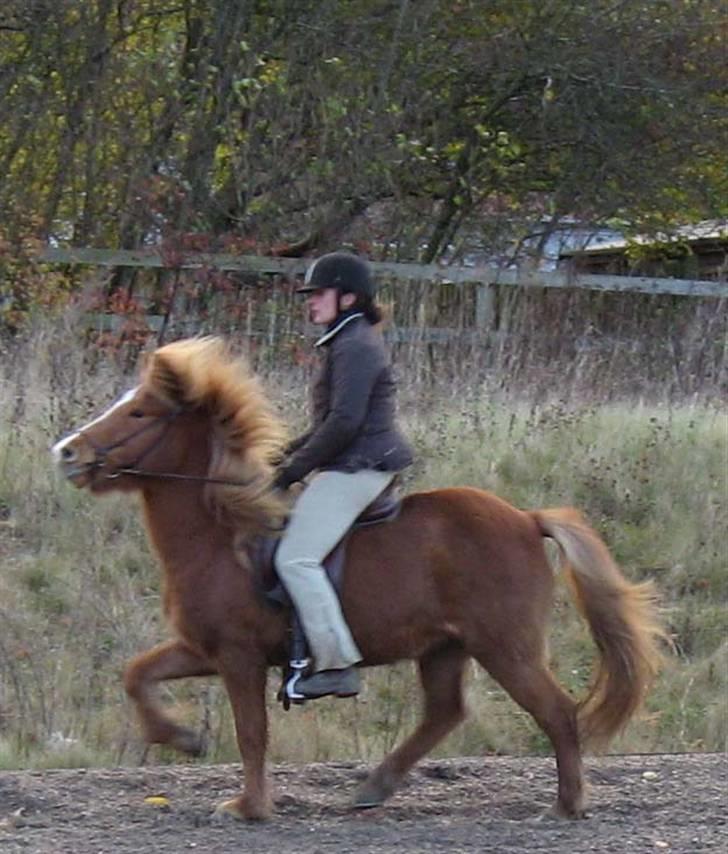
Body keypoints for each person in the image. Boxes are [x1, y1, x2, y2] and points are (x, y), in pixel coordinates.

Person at [273, 251, 414, 700]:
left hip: (360, 466)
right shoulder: (346, 340)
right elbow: (327, 425)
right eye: (309, 295)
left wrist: (292, 471)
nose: (310, 302)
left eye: (319, 293)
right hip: (350, 461)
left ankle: (335, 664)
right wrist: (281, 453)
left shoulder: (354, 345)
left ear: (349, 297)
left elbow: (344, 424)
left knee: (295, 558)